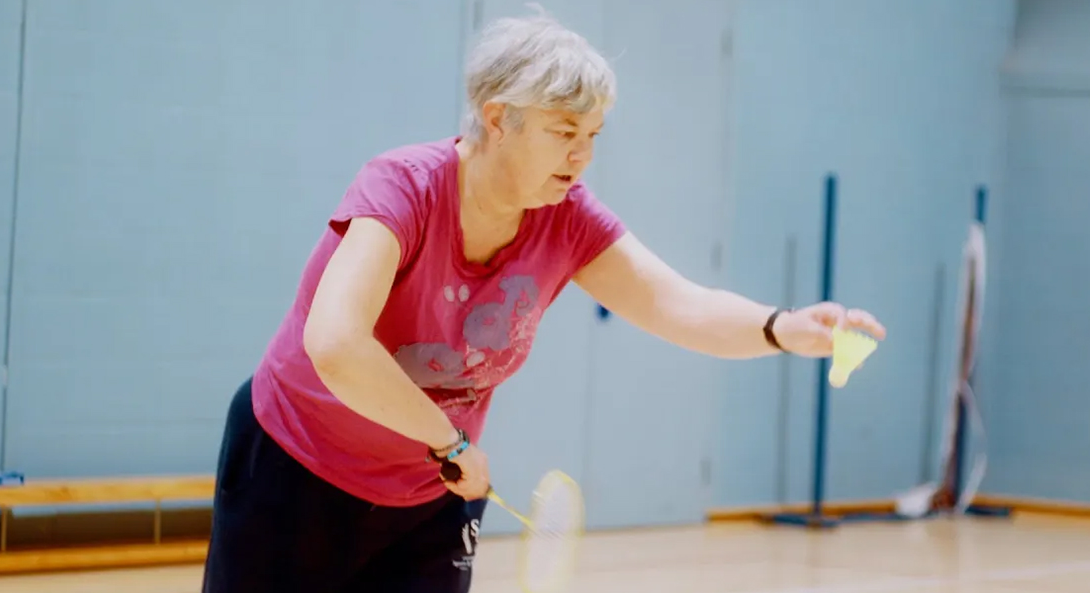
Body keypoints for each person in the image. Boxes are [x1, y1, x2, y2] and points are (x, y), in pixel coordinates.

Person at [201, 9, 886, 593]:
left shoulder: (568, 218)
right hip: (296, 468)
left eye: (593, 136)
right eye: (565, 131)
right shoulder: (401, 189)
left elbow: (681, 304)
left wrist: (783, 327)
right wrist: (448, 437)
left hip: (430, 492)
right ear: (500, 118)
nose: (583, 156)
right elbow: (336, 344)